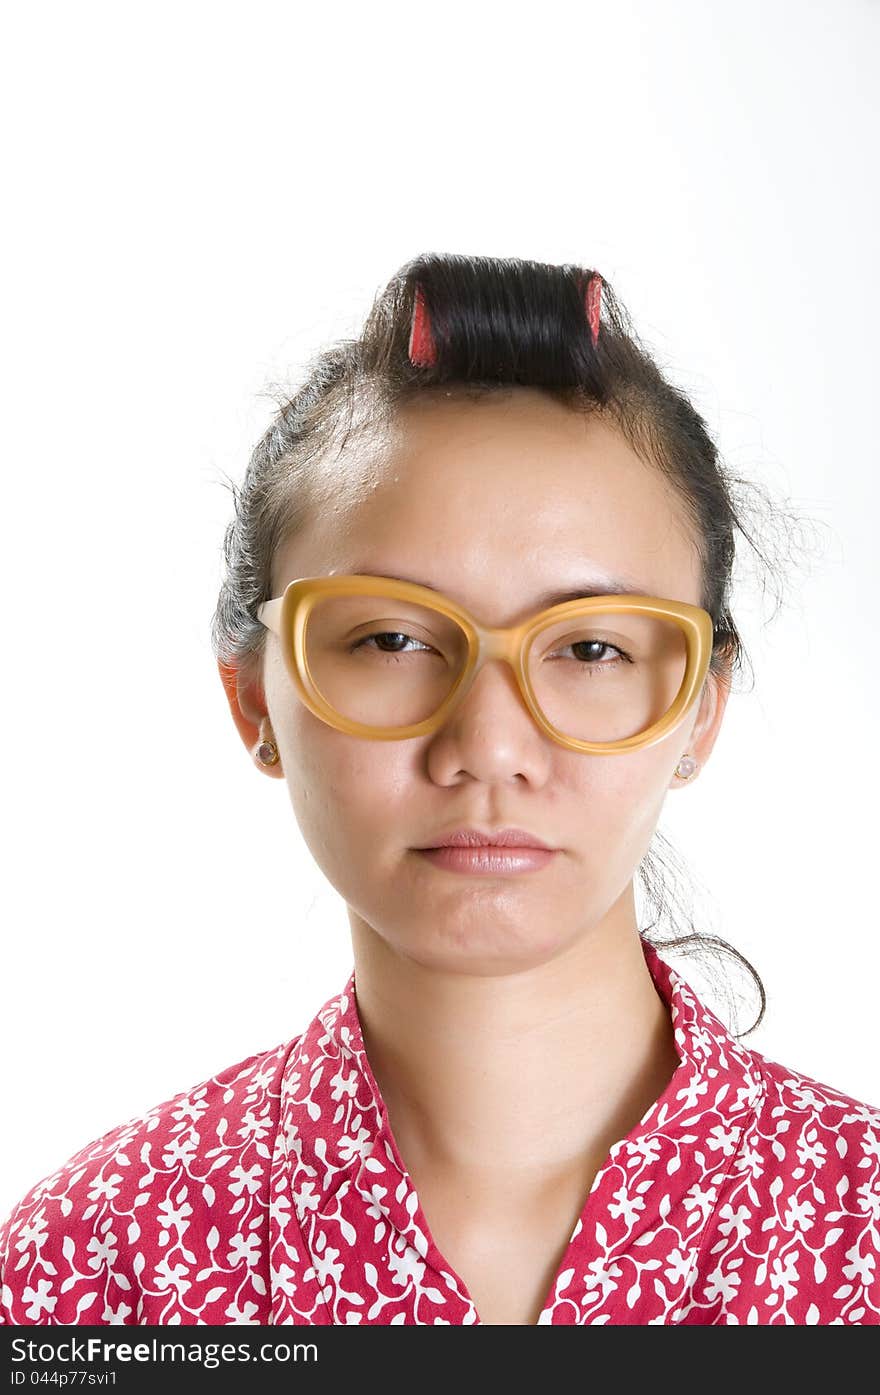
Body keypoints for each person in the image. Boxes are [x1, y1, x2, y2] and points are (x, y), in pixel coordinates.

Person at [2, 253, 878, 1328]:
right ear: (254, 702)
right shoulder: (91, 1271)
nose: (488, 746)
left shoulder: (859, 1229)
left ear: (701, 707)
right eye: (390, 638)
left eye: (593, 649)